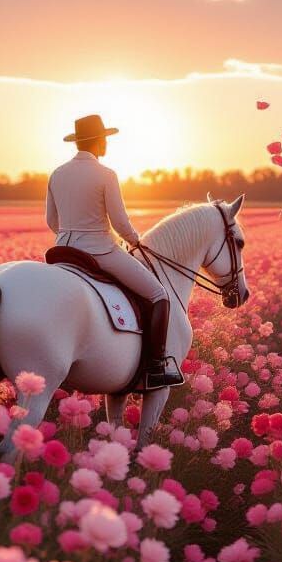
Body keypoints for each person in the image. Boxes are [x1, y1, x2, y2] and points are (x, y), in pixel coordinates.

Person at [46, 114, 184, 390]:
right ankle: (156, 367)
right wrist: (134, 241)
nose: (106, 144)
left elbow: (52, 221)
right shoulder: (106, 174)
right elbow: (119, 221)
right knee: (159, 295)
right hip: (99, 251)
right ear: (98, 141)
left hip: (62, 250)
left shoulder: (57, 173)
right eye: (105, 139)